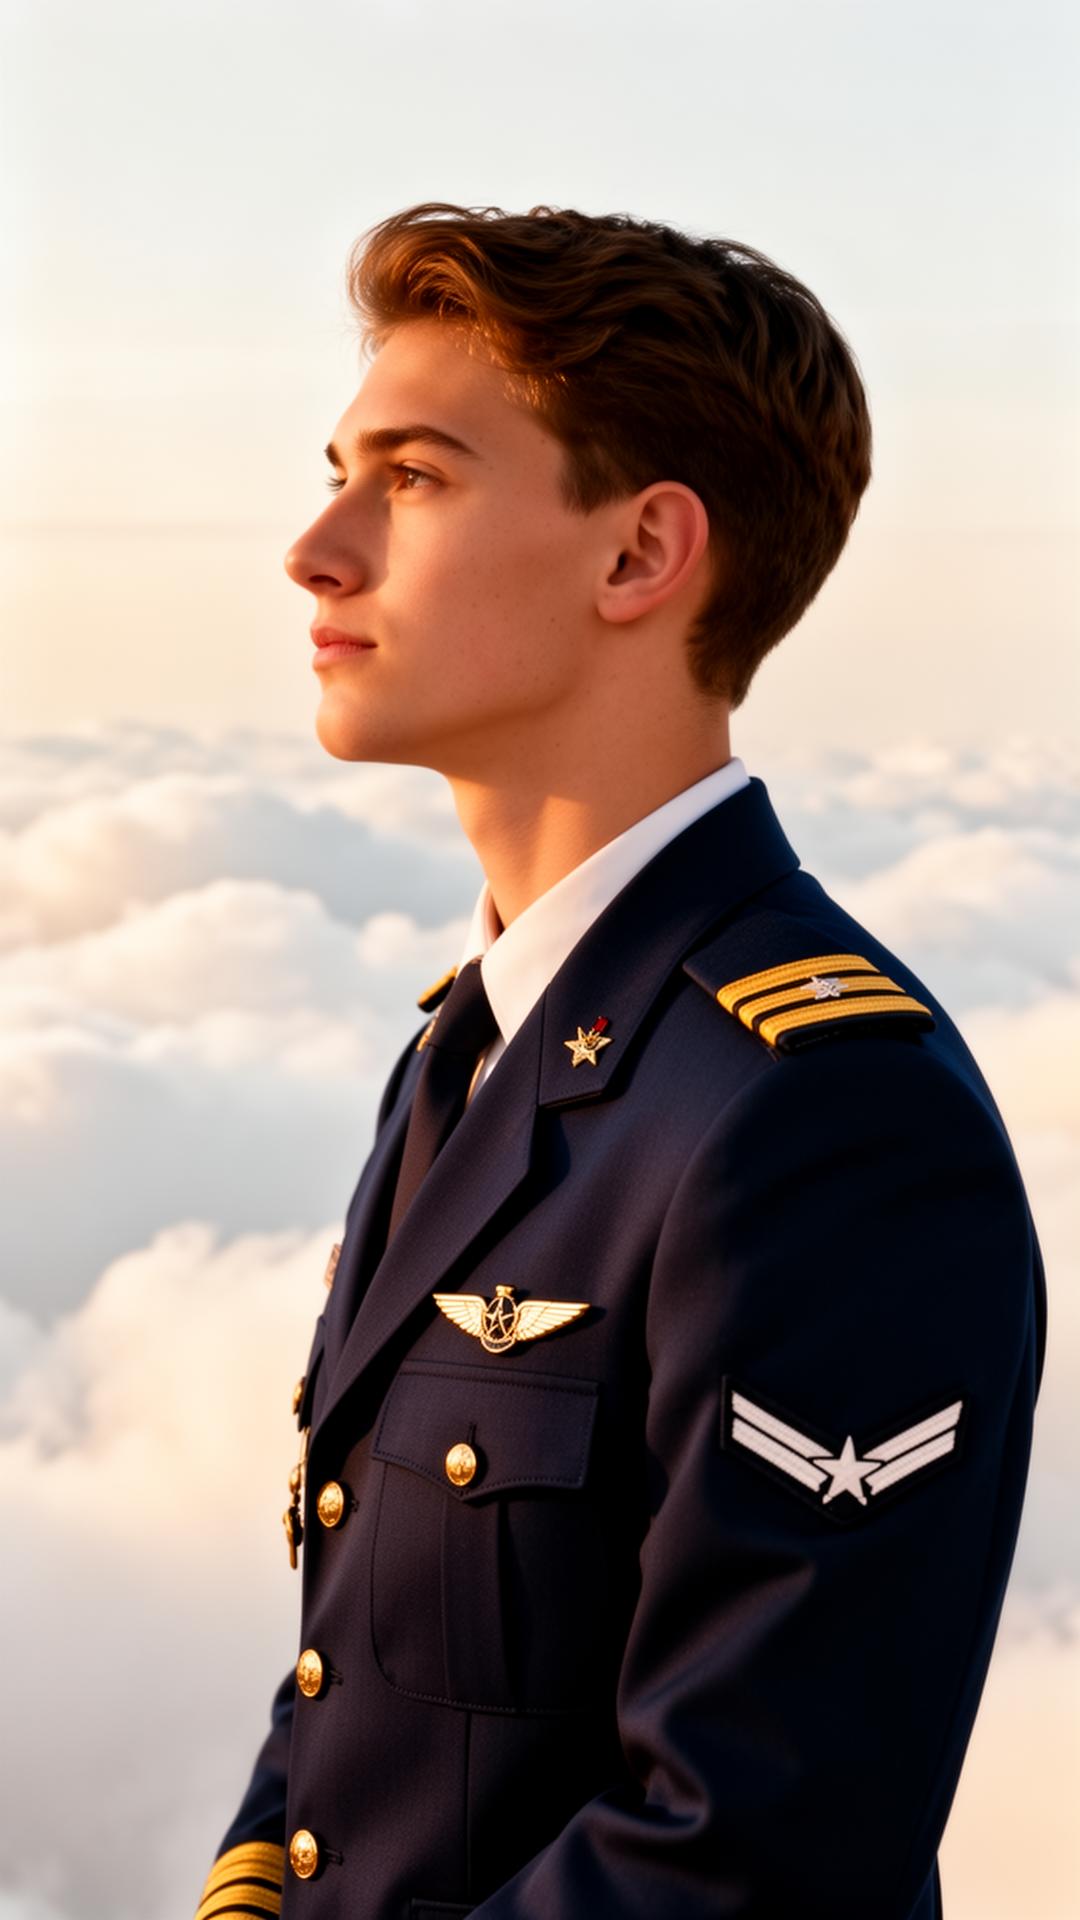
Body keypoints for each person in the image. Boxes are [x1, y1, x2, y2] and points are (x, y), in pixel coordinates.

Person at [194, 202, 1046, 1920]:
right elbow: (345, 1709)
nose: (315, 545)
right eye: (339, 468)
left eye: (414, 478)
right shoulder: (470, 1050)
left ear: (641, 555)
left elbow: (753, 1857)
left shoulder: (822, 1113)